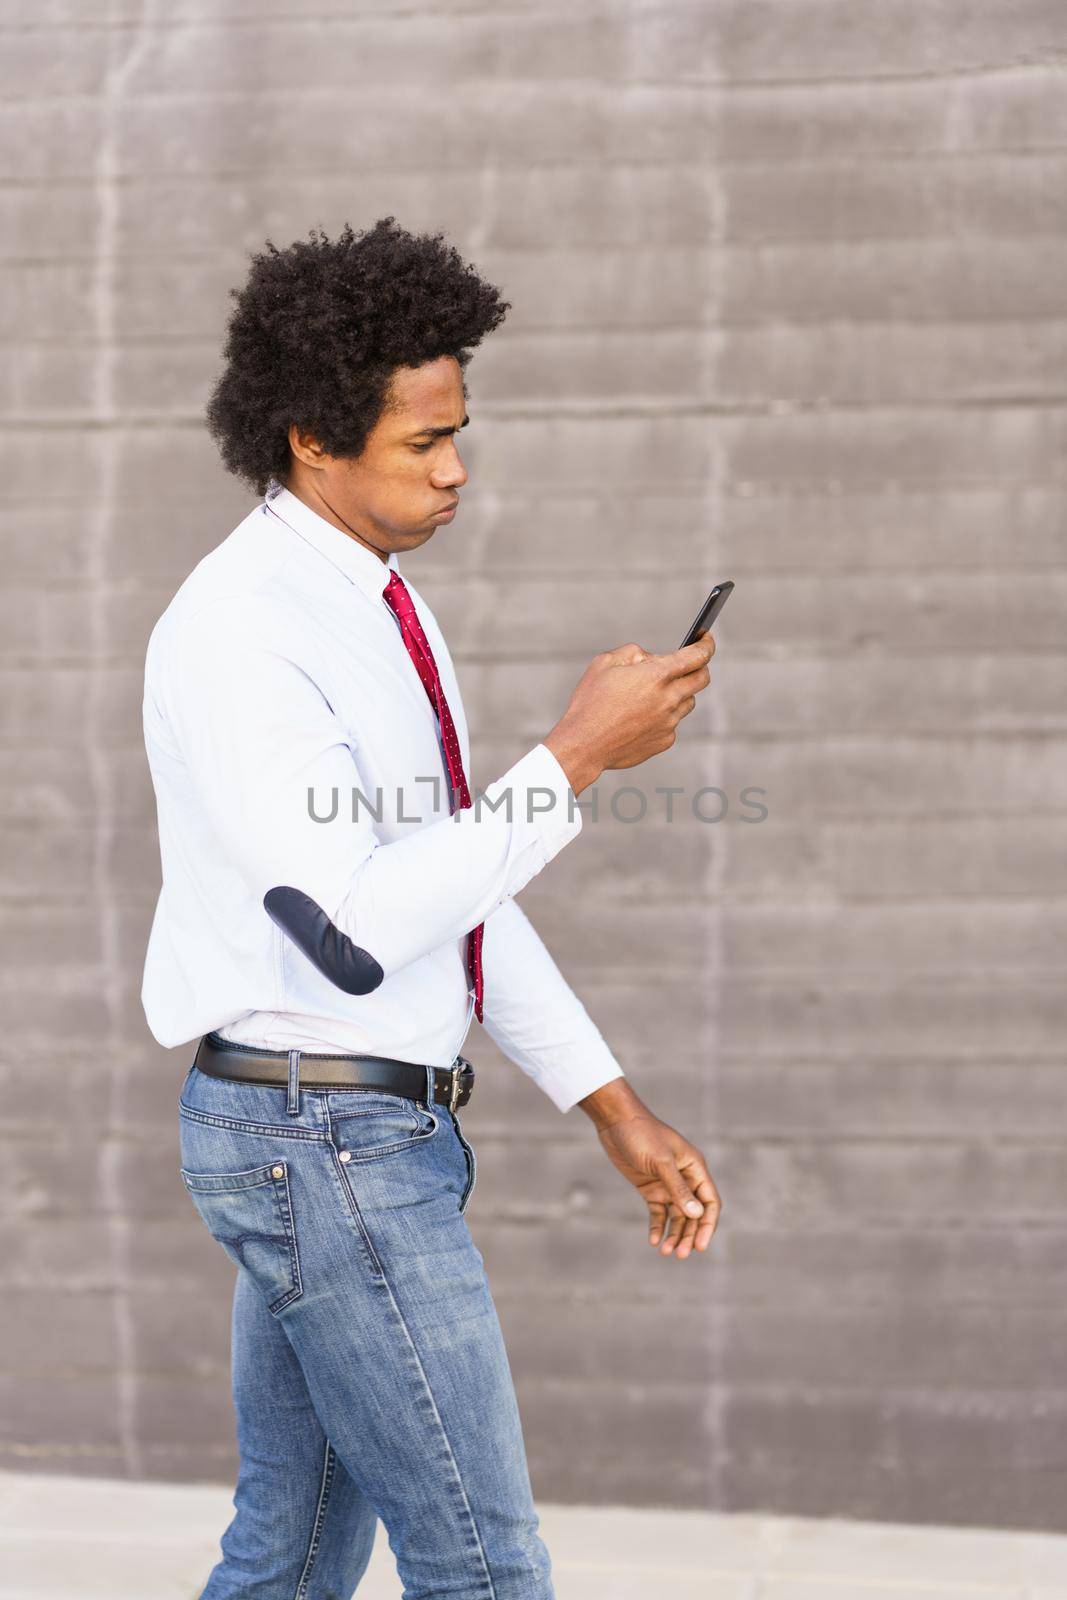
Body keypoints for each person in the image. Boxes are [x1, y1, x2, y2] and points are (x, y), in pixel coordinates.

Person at [140, 216, 721, 1600]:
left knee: (284, 1565)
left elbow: (444, 889)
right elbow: (349, 924)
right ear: (310, 438)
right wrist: (575, 759)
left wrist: (608, 1101)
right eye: (422, 443)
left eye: (460, 429)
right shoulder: (243, 629)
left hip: (341, 1130)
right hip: (323, 1139)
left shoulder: (376, 601)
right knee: (484, 1571)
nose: (458, 467)